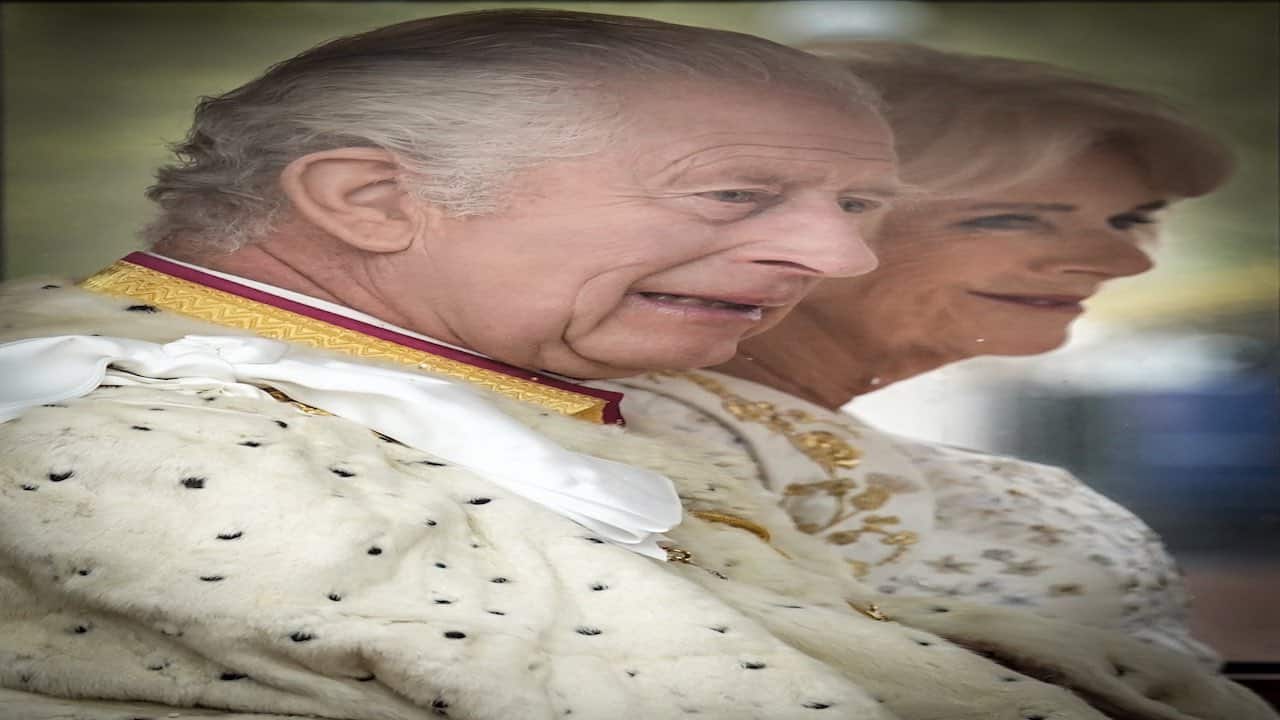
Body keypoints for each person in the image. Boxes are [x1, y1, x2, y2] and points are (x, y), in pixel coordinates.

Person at [0, 12, 1270, 720]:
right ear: (368, 199)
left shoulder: (473, 398)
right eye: (736, 194)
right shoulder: (126, 435)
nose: (832, 260)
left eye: (856, 206)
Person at [613, 41, 1235, 668]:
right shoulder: (643, 436)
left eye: (1128, 221)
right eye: (1010, 219)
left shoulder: (751, 429)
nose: (1126, 262)